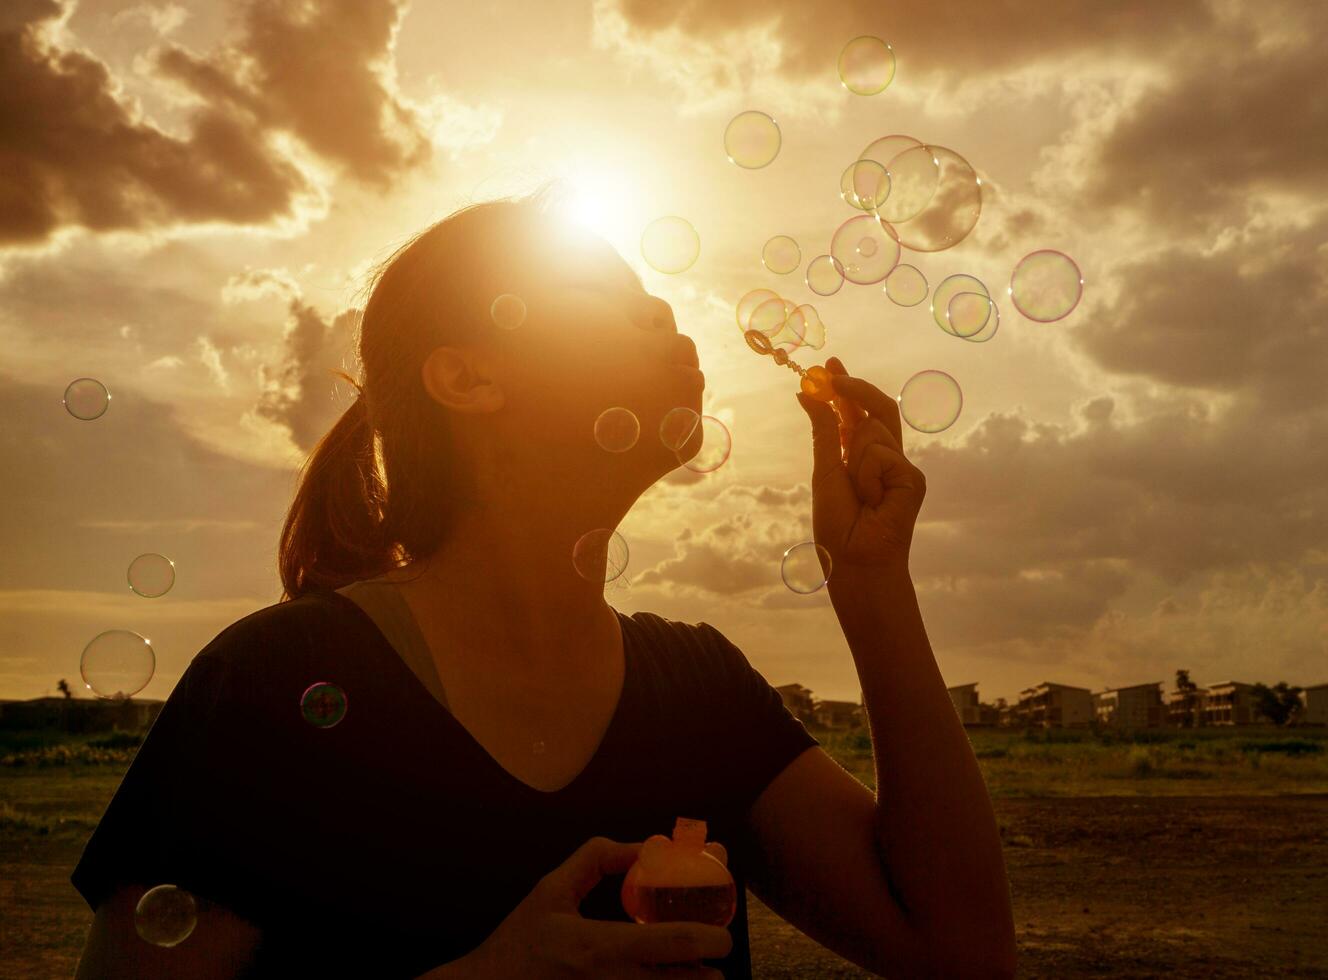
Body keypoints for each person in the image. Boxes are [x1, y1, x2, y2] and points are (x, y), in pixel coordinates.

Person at [71, 188, 1016, 979]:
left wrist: (869, 579)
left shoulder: (698, 689)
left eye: (652, 294)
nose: (661, 314)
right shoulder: (274, 682)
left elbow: (962, 953)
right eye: (596, 293)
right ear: (467, 378)